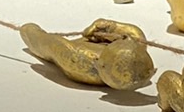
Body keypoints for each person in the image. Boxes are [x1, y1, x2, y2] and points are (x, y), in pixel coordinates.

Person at [19, 18, 156, 91]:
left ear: (101, 65)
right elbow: (134, 33)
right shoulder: (136, 46)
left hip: (76, 47)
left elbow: (46, 43)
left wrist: (30, 30)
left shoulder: (79, 60)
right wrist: (109, 27)